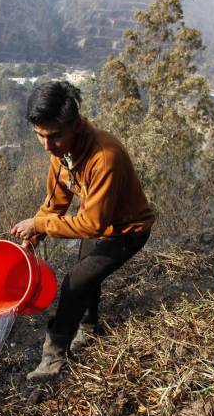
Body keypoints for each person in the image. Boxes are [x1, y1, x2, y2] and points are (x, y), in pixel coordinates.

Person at [11, 80, 155, 379]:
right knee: (85, 275)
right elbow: (54, 204)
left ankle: (53, 357)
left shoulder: (105, 157)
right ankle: (89, 331)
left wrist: (39, 224)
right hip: (101, 227)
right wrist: (33, 237)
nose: (47, 146)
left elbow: (91, 224)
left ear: (75, 125)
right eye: (40, 136)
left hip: (127, 231)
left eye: (54, 137)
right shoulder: (61, 154)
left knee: (75, 282)